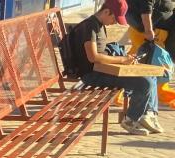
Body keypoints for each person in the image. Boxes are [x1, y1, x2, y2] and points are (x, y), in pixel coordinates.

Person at [69, 0, 162, 135]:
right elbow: (93, 57)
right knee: (144, 82)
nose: (114, 23)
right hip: (92, 75)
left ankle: (147, 114)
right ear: (106, 11)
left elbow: (101, 55)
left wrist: (123, 60)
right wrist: (122, 60)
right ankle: (131, 120)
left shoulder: (98, 25)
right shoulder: (90, 27)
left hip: (102, 70)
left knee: (149, 76)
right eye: (114, 18)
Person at [124, 0, 175, 109]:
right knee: (155, 64)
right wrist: (149, 30)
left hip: (148, 29)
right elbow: (146, 7)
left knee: (134, 59)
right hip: (149, 31)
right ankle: (160, 97)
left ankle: (159, 95)